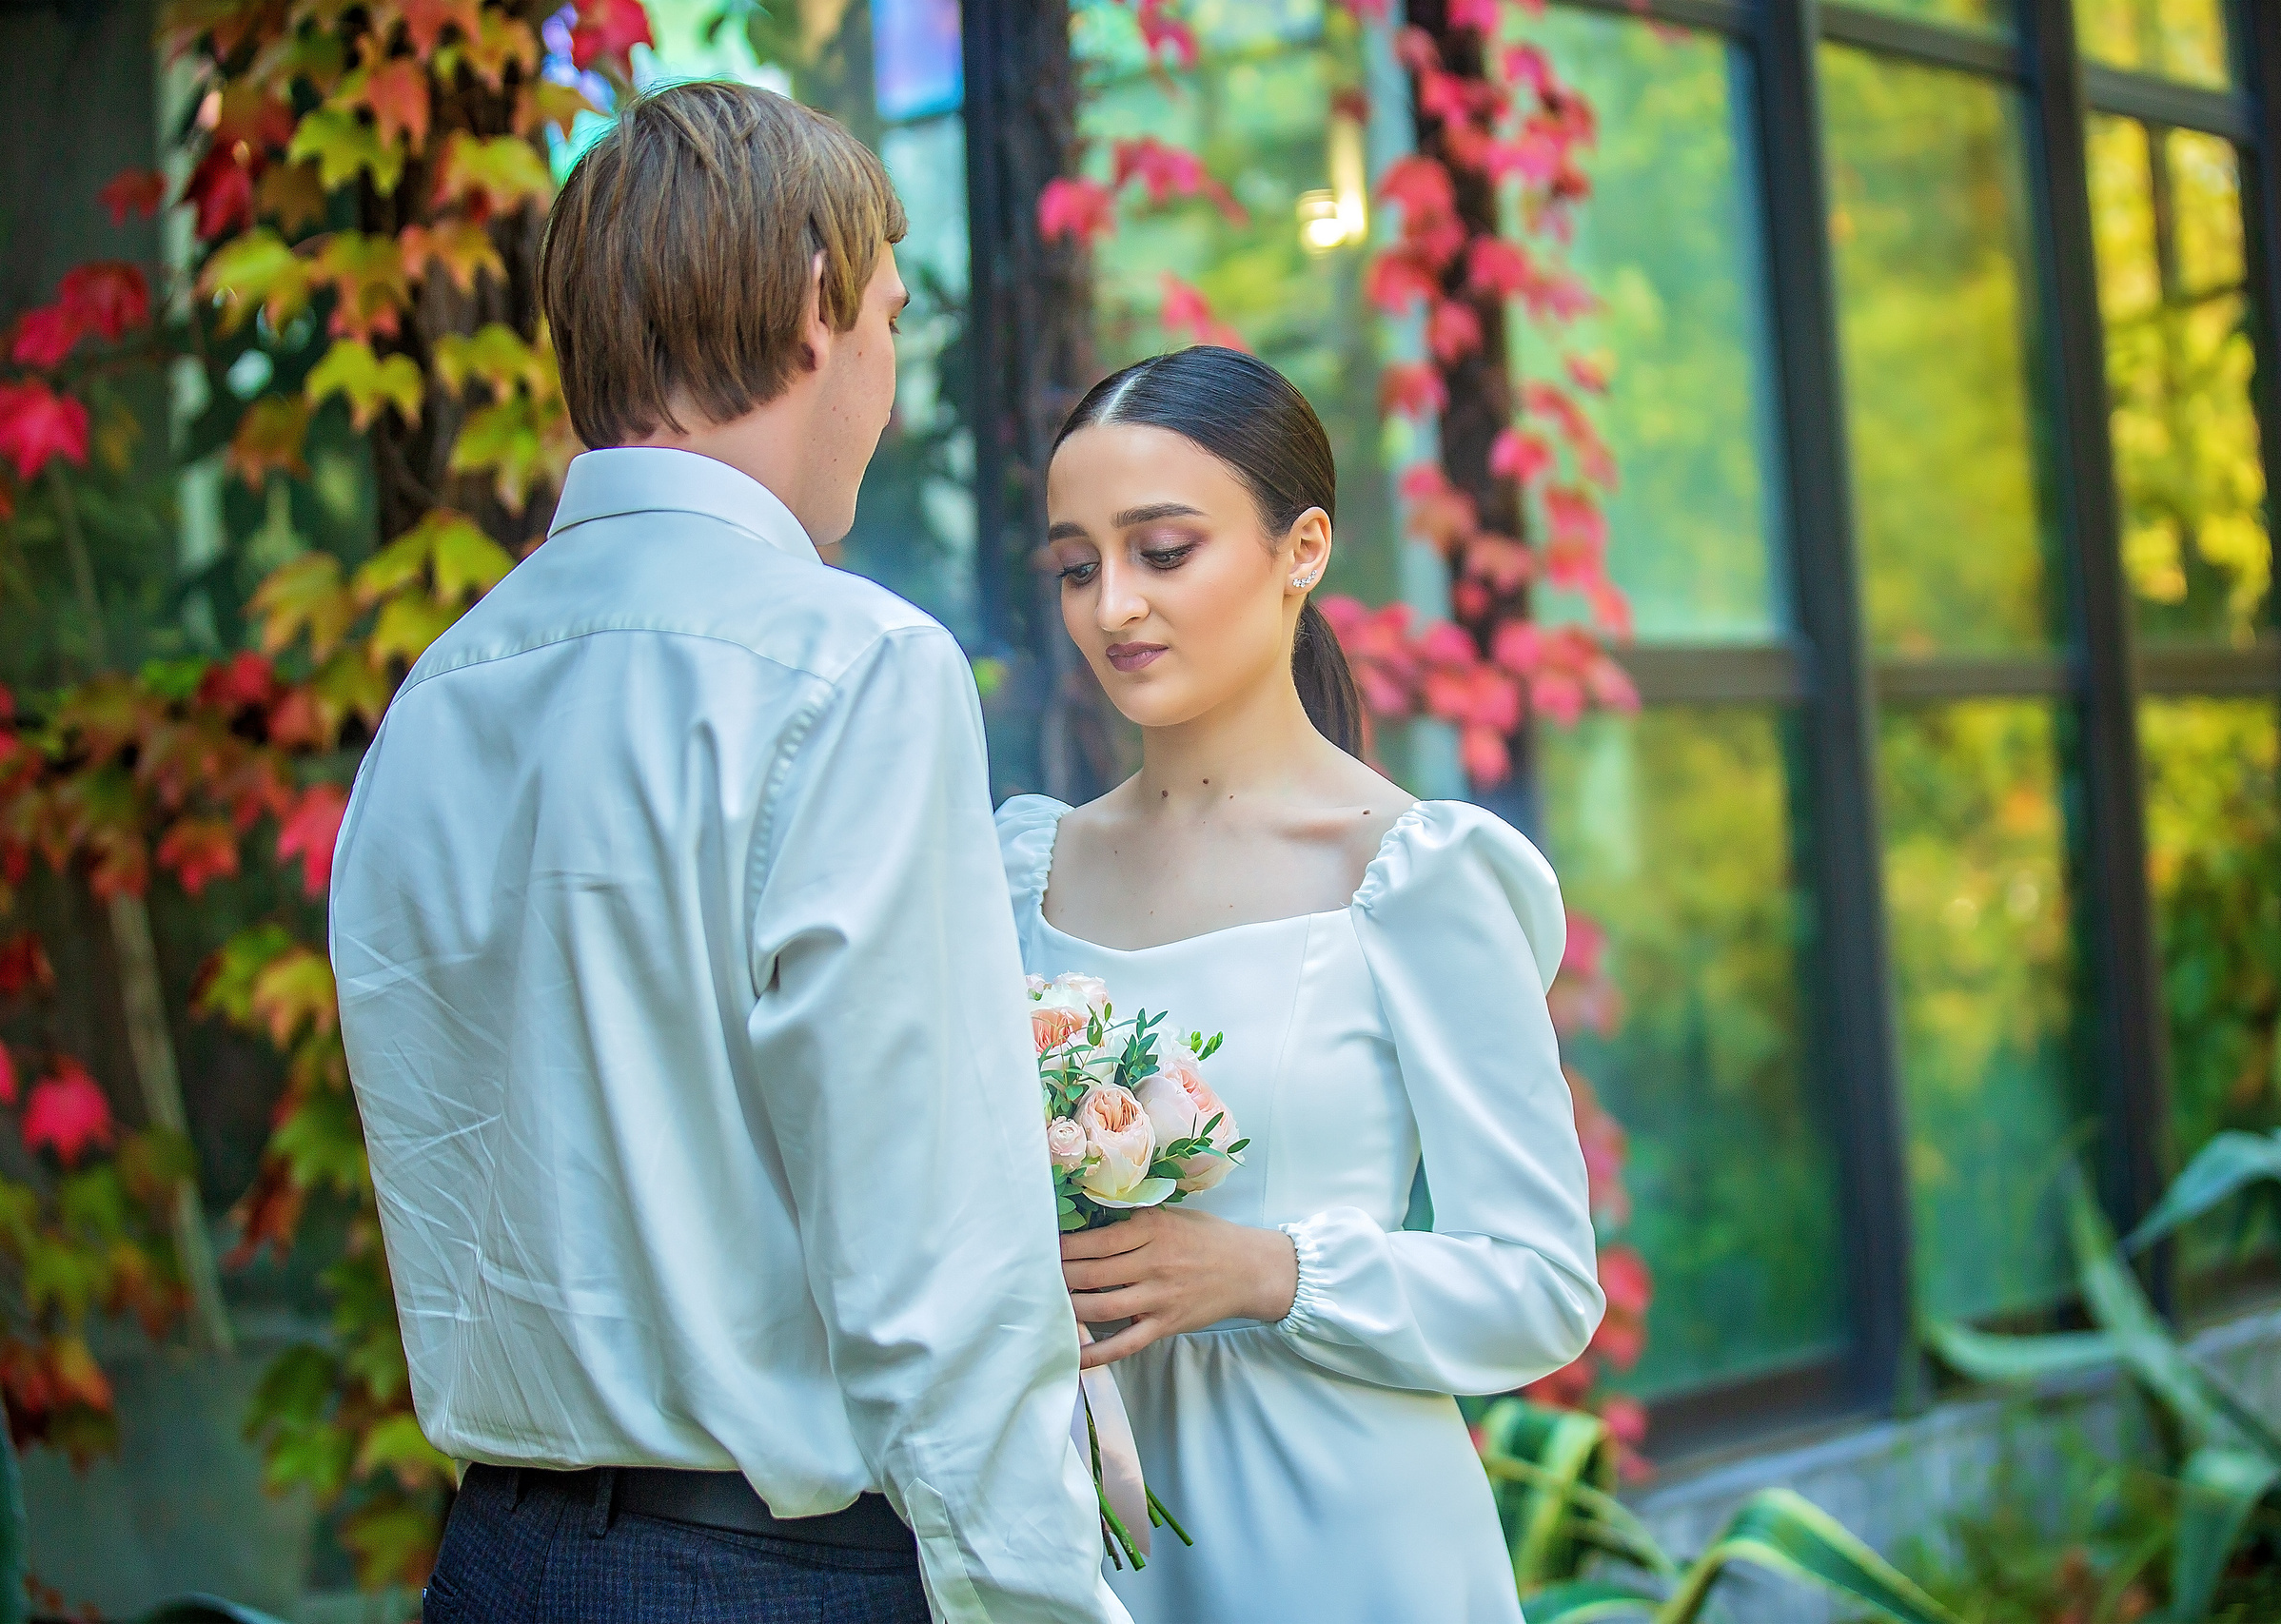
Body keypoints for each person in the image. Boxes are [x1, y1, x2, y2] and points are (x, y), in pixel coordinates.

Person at [330, 82, 1129, 1624]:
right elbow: (936, 1269)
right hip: (775, 1573)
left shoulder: (436, 696)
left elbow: (436, 1159)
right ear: (821, 304)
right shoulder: (855, 668)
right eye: (894, 320)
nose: (893, 381)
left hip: (495, 1564)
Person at [1000, 345, 1606, 1623]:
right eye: (1075, 564)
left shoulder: (1410, 876)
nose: (1113, 605)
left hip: (1345, 1547)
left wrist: (1265, 1272)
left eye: (1162, 551)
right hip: (1074, 1545)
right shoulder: (1017, 873)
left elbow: (1542, 1289)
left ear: (1305, 549)